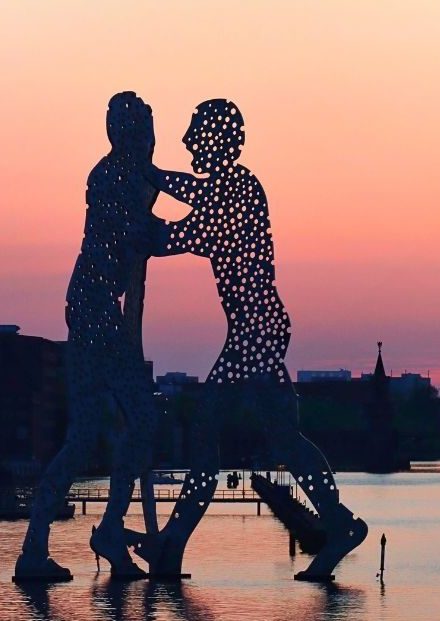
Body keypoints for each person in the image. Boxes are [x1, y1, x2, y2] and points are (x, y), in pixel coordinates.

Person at [124, 99, 367, 579]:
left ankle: (172, 544)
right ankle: (338, 524)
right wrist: (150, 175)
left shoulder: (238, 190)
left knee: (208, 432)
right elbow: (190, 190)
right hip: (256, 329)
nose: (188, 141)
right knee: (281, 436)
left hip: (255, 332)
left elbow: (183, 234)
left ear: (216, 139)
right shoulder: (229, 187)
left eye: (195, 132)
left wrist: (145, 213)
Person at [15, 92, 158, 580]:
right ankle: (107, 531)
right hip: (95, 314)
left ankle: (37, 547)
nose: (149, 139)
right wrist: (204, 230)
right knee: (140, 420)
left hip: (95, 312)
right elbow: (144, 235)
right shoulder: (112, 178)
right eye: (143, 130)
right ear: (125, 134)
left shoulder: (132, 176)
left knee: (85, 434)